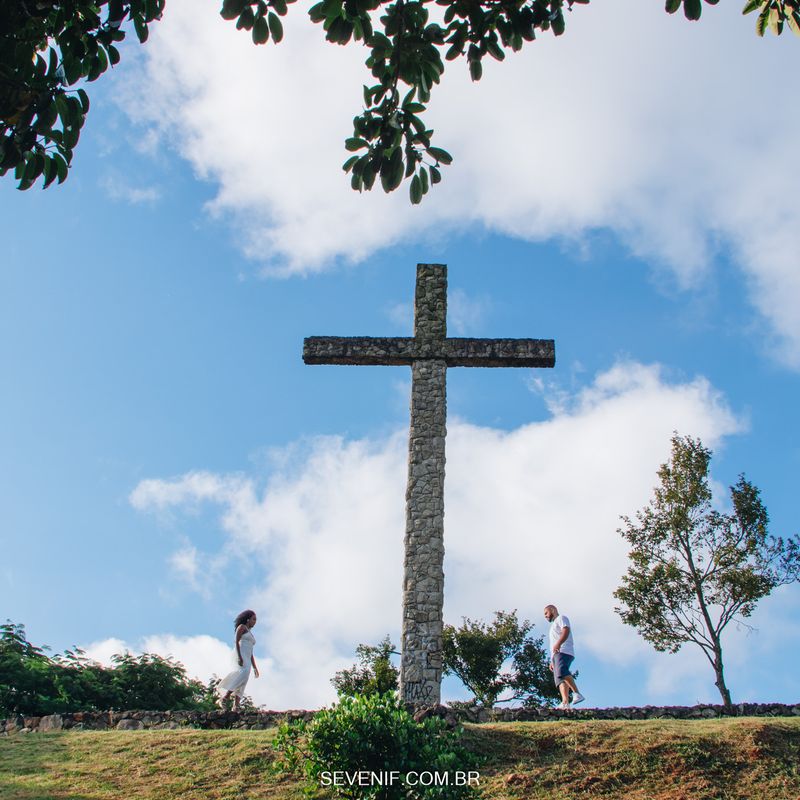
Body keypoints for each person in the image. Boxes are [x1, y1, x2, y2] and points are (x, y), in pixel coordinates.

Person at [543, 604, 585, 710]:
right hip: (556, 654)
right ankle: (565, 702)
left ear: (552, 610)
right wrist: (552, 660)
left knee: (562, 671)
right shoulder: (552, 627)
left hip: (564, 650)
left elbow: (566, 630)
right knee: (559, 678)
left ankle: (577, 693)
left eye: (546, 613)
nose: (545, 616)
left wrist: (559, 644)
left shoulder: (561, 618)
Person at [219, 609, 259, 710]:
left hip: (247, 657)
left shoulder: (250, 633)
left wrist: (255, 667)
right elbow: (236, 641)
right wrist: (240, 657)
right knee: (241, 674)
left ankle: (236, 705)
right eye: (253, 619)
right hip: (239, 654)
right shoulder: (242, 627)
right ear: (248, 619)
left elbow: (251, 653)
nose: (255, 622)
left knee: (244, 679)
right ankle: (225, 697)